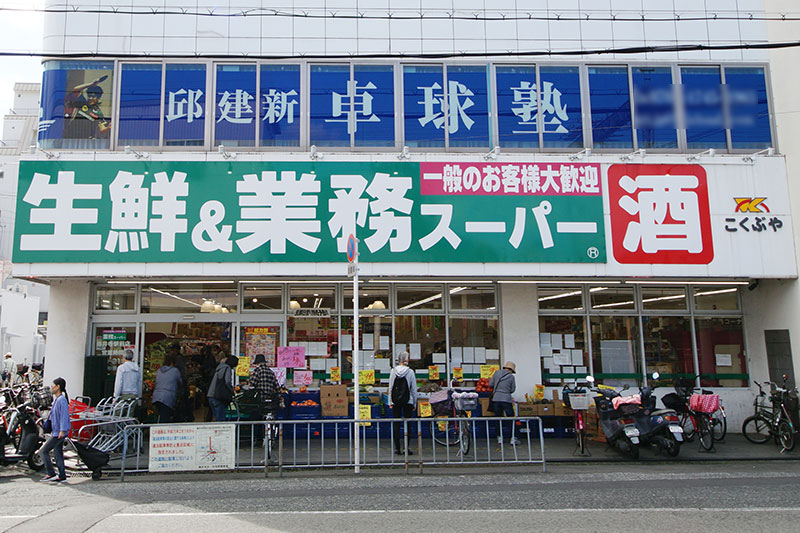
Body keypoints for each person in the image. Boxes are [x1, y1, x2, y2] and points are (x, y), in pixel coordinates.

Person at [39, 377, 70, 483]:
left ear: (58, 387)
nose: (51, 388)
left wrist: (62, 430)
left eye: (53, 386)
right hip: (57, 431)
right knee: (58, 453)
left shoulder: (61, 400)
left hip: (59, 432)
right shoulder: (58, 400)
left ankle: (51, 473)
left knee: (43, 451)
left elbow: (64, 416)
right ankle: (62, 475)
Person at [387, 351, 418, 455]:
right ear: (406, 359)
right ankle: (406, 448)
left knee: (396, 424)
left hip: (396, 401)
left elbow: (391, 387)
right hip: (408, 400)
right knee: (408, 424)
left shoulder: (393, 371)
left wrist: (390, 401)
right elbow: (414, 389)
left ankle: (397, 448)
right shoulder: (410, 372)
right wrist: (414, 403)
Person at [250, 354, 280, 447]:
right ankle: (269, 438)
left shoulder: (258, 371)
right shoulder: (270, 372)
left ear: (258, 363)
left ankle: (257, 438)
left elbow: (252, 385)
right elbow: (277, 386)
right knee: (268, 418)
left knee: (257, 418)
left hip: (260, 399)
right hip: (270, 399)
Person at [489, 361, 519, 445]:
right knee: (511, 419)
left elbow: (490, 384)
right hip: (506, 399)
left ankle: (499, 438)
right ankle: (513, 438)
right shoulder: (511, 377)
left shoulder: (496, 373)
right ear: (511, 370)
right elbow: (512, 389)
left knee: (498, 418)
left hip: (496, 399)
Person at [152, 353, 182, 423]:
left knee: (160, 415)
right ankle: (162, 432)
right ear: (173, 362)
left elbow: (156, 383)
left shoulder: (159, 370)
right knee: (165, 418)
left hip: (156, 396)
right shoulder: (175, 371)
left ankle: (157, 429)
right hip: (168, 398)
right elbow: (180, 383)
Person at [208, 355, 237, 422]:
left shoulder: (219, 368)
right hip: (218, 396)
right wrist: (232, 391)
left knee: (217, 418)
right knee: (221, 419)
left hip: (211, 395)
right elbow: (227, 382)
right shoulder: (227, 368)